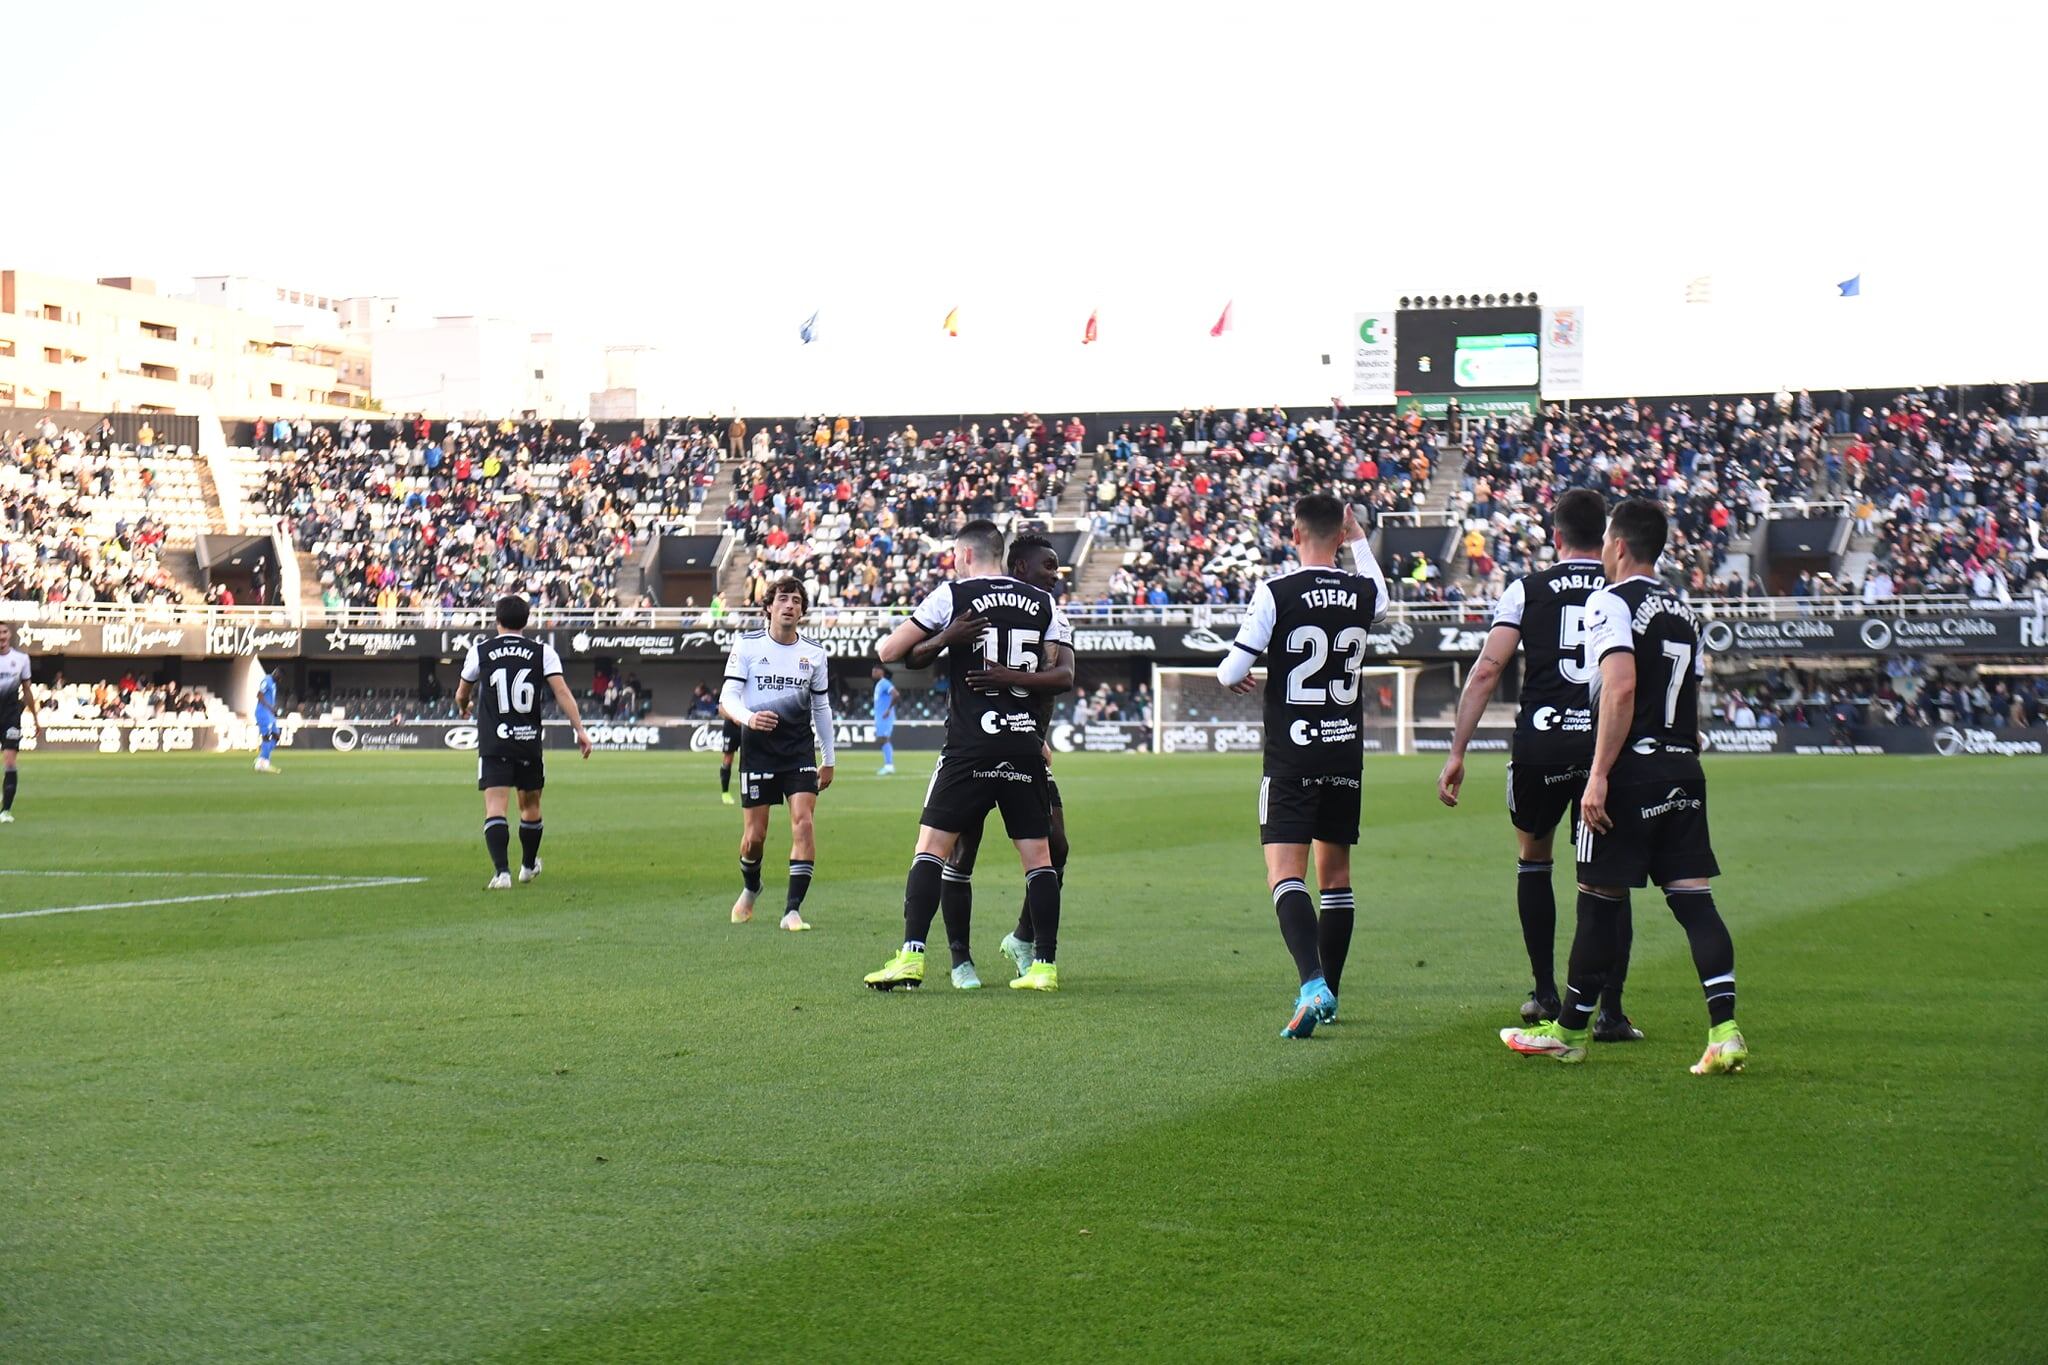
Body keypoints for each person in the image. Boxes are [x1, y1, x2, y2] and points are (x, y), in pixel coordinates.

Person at [1501, 498, 1748, 1074]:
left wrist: (1599, 774)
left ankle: (1566, 1032)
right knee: (1695, 903)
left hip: (1630, 774)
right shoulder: (1684, 611)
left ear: (1616, 545)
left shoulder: (1609, 602)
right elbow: (1687, 696)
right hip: (1682, 768)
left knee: (1598, 902)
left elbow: (1618, 689)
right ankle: (1725, 1030)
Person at [1436, 488, 1640, 1041]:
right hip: (1605, 746)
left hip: (1542, 744)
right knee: (1606, 877)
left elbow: (1485, 671)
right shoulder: (1620, 590)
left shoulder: (1527, 589)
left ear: (1555, 537)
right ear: (1603, 539)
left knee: (1535, 860)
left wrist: (1458, 751)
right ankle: (1611, 1012)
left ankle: (1545, 991)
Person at [864, 519, 1073, 992]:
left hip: (969, 745)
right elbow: (1053, 670)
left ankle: (912, 957)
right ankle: (1043, 966)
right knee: (1039, 859)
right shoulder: (1044, 603)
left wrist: (943, 640)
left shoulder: (954, 594)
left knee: (933, 850)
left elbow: (889, 649)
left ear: (964, 554)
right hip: (1023, 744)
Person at [1216, 495, 1389, 1038]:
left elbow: (1233, 671)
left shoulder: (1276, 591)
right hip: (1344, 749)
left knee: (1284, 874)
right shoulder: (1362, 591)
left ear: (1294, 533)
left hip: (1293, 753)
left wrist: (1234, 673)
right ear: (1341, 534)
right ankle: (1331, 992)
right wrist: (1358, 539)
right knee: (1336, 878)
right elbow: (1382, 599)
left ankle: (1312, 983)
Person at [936, 534, 1074, 989]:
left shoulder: (1050, 612)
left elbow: (1056, 679)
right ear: (1018, 566)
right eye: (1047, 566)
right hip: (977, 744)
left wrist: (1039, 735)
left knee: (1056, 846)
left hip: (1026, 746)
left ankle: (1022, 938)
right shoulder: (978, 608)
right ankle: (961, 959)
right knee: (962, 847)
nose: (1055, 575)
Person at [720, 577, 836, 931]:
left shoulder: (814, 653)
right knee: (754, 838)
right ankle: (752, 888)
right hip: (757, 751)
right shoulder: (747, 646)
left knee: (804, 822)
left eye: (797, 601)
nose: (790, 605)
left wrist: (828, 758)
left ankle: (792, 910)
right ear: (768, 606)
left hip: (798, 751)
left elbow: (822, 707)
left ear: (802, 610)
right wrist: (750, 719)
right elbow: (727, 700)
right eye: (783, 599)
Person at [454, 595, 593, 890]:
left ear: (497, 620)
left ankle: (501, 872)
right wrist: (579, 729)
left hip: (495, 740)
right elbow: (562, 692)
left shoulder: (480, 651)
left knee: (495, 805)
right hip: (528, 740)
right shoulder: (543, 652)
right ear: (526, 621)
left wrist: (463, 707)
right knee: (530, 804)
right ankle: (528, 866)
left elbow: (462, 692)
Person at [0, 623, 38, 823]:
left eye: (4, 632)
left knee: (9, 761)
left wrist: (35, 717)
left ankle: (5, 811)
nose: (2, 636)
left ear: (10, 634)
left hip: (11, 718)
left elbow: (27, 690)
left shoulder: (21, 659)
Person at [252, 663, 284, 774]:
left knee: (277, 735)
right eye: (279, 678)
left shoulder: (273, 683)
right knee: (266, 737)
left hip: (269, 714)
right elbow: (259, 695)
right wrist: (271, 708)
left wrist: (273, 709)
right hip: (263, 713)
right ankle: (264, 763)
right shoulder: (266, 680)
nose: (280, 680)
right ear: (276, 674)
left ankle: (261, 759)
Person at [872, 665, 897, 775]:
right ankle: (888, 765)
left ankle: (889, 766)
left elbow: (896, 694)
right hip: (880, 717)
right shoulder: (878, 685)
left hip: (885, 717)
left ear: (881, 672)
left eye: (875, 671)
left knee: (885, 739)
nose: (873, 673)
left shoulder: (885, 683)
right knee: (882, 739)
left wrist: (889, 709)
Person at [719, 711, 743, 805]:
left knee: (749, 758)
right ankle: (725, 793)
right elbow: (722, 709)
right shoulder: (728, 695)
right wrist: (734, 717)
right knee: (728, 759)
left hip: (747, 725)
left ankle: (748, 791)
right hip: (731, 727)